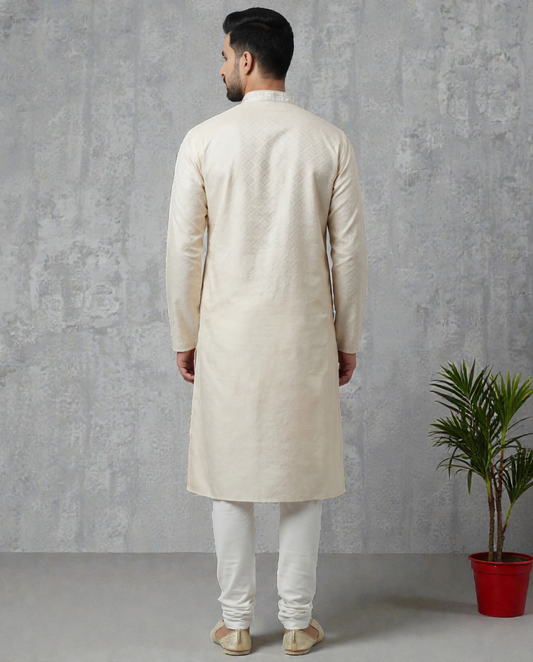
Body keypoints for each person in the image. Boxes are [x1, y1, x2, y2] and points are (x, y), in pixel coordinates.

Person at [165, 7, 367, 656]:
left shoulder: (203, 140)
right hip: (304, 339)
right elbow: (349, 254)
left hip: (227, 339)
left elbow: (183, 250)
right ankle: (299, 623)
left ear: (247, 60)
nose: (221, 66)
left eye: (225, 56)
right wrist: (347, 337)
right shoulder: (329, 142)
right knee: (301, 479)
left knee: (230, 479)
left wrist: (185, 331)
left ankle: (235, 624)